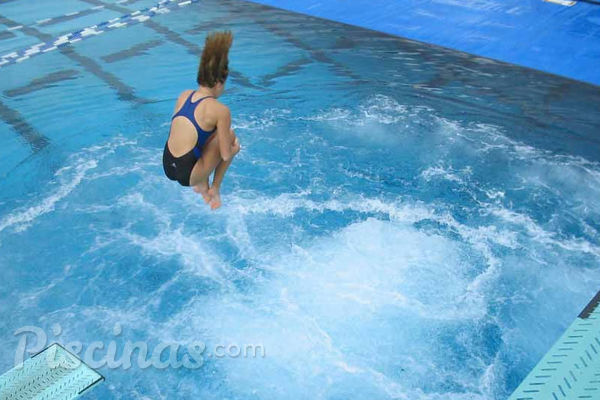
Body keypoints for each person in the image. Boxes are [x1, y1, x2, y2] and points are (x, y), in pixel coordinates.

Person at [162, 31, 240, 210]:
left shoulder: (184, 95)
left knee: (203, 133)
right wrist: (234, 150)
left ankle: (201, 185)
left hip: (167, 164)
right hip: (188, 173)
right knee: (230, 137)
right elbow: (225, 154)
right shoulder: (221, 110)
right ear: (220, 83)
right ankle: (214, 189)